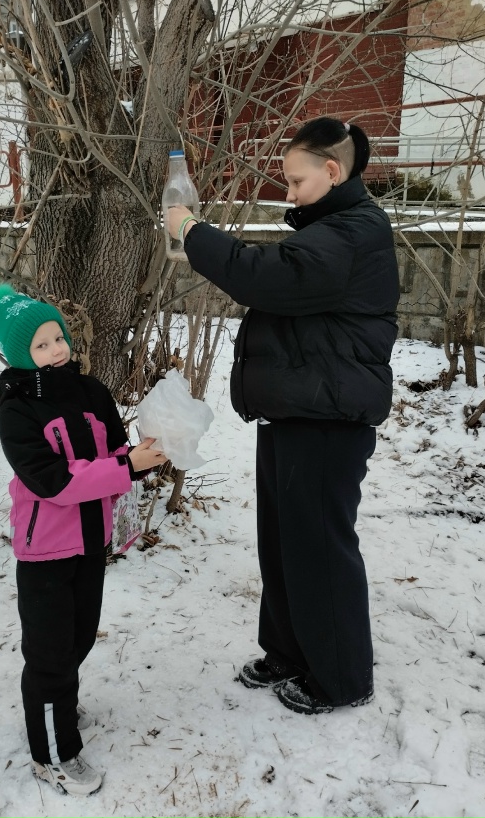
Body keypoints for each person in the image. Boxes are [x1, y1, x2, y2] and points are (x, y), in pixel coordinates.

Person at [166, 117, 399, 715]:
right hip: (298, 411)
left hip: (328, 419)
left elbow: (266, 277)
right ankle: (291, 651)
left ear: (332, 170)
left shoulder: (352, 232)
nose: (289, 194)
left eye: (296, 181)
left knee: (318, 547)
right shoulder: (331, 228)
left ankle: (341, 677)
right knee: (284, 542)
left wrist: (191, 230)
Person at [0, 282, 167, 794]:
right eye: (41, 344)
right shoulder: (16, 410)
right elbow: (53, 481)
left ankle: (57, 707)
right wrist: (126, 466)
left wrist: (146, 455)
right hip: (46, 549)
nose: (56, 349)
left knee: (79, 634)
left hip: (91, 541)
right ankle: (53, 752)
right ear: (19, 354)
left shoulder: (90, 390)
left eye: (58, 337)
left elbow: (118, 454)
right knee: (51, 651)